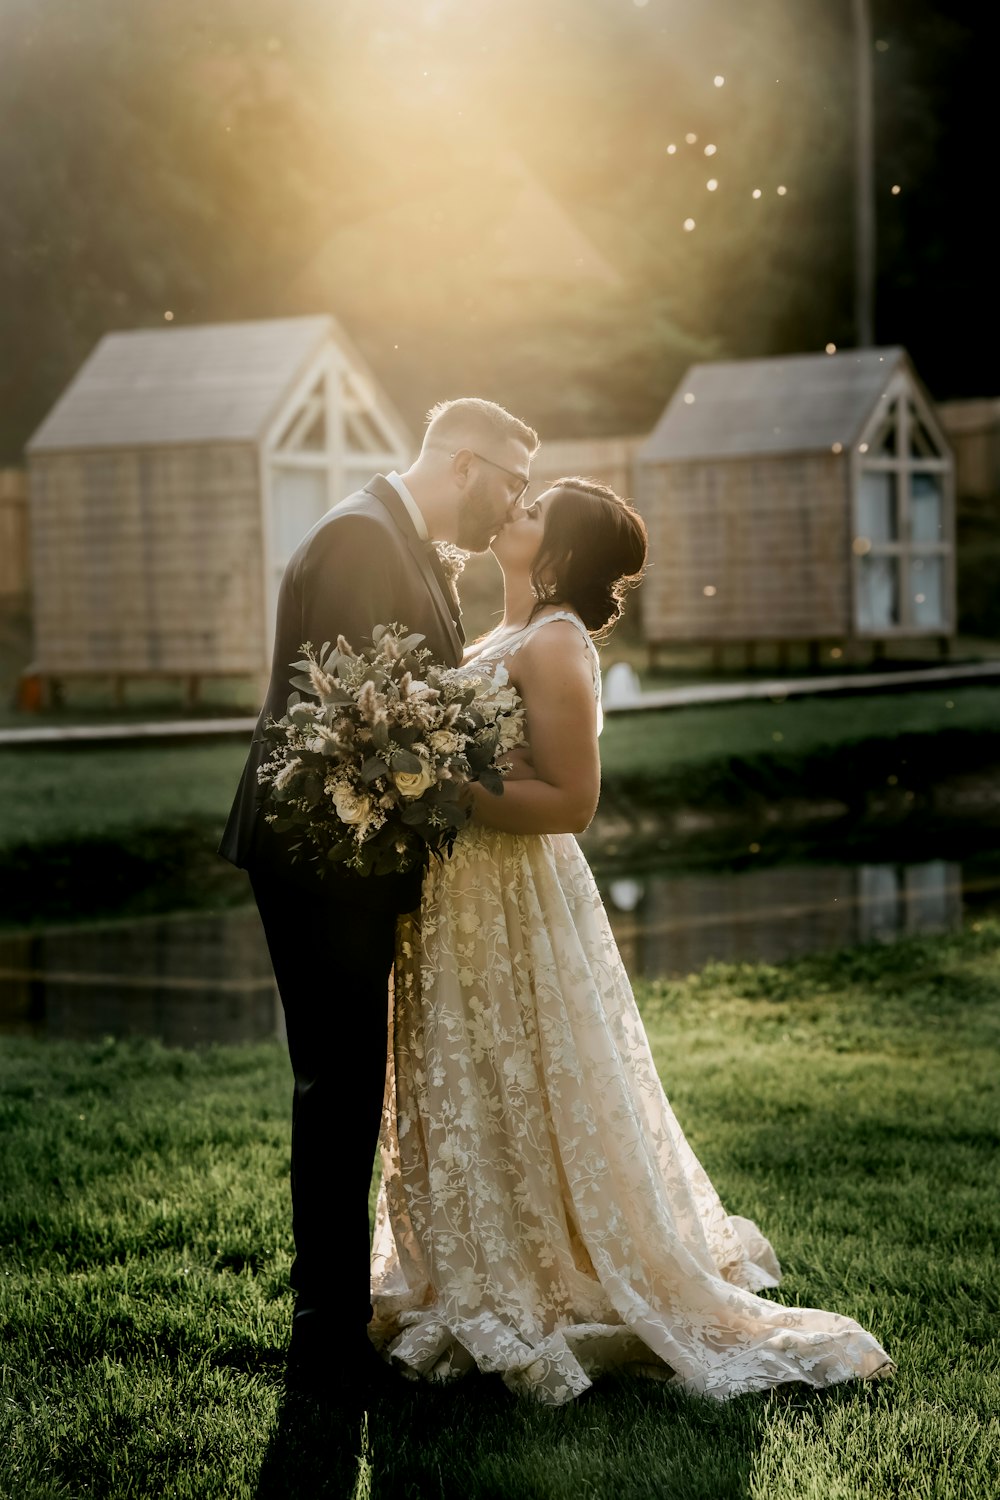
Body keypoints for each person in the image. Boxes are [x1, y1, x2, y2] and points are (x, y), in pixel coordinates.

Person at [370, 478, 894, 1404]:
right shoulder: (493, 637)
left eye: (533, 513)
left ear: (560, 554)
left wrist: (442, 786)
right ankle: (475, 1253)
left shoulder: (558, 643)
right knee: (478, 1069)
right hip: (456, 895)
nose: (513, 514)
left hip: (513, 891)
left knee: (532, 1065)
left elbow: (573, 801)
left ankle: (556, 1266)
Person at [219, 397, 539, 1393]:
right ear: (463, 463)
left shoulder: (401, 537)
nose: (513, 508)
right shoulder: (362, 541)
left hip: (351, 854)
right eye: (511, 485)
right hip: (323, 856)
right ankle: (324, 1330)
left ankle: (339, 1314)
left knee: (351, 1078)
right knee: (338, 1083)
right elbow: (360, 724)